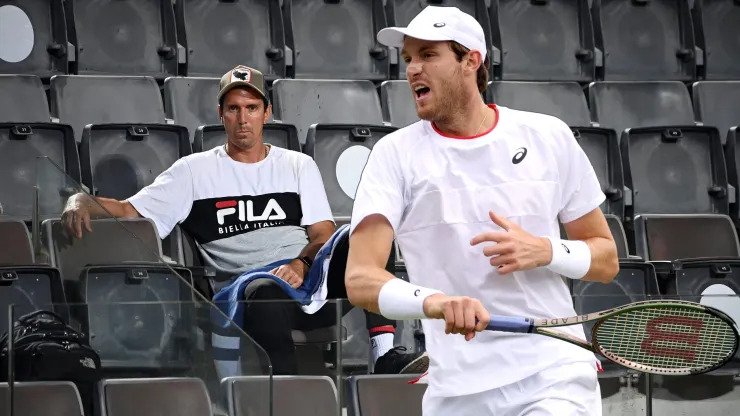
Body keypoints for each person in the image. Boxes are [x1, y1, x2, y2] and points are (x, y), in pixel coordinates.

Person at [61, 65, 428, 376]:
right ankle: (288, 394)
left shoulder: (297, 165)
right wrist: (81, 199)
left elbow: (323, 233)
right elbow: (130, 210)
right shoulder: (193, 172)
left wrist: (300, 263)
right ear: (221, 114)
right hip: (252, 290)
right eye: (234, 109)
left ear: (266, 113)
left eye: (251, 108)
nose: (243, 119)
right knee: (264, 294)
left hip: (308, 278)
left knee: (363, 236)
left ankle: (384, 355)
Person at [345, 6, 619, 416]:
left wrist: (548, 250)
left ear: (471, 60)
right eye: (408, 59)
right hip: (455, 386)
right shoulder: (393, 155)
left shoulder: (548, 136)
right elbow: (361, 278)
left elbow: (606, 258)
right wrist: (434, 302)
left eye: (428, 55)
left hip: (553, 371)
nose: (413, 70)